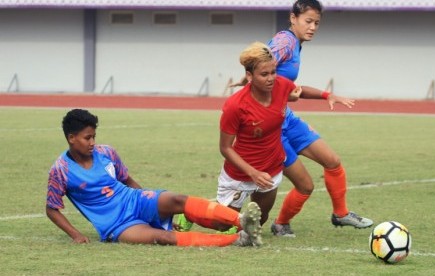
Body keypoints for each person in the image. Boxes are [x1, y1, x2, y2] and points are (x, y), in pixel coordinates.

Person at [45, 108, 263, 247]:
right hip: (116, 225)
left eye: (94, 136)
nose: (92, 142)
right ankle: (239, 239)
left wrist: (145, 199)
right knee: (162, 238)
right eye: (87, 138)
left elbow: (127, 180)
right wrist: (75, 234)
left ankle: (241, 221)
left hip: (135, 200)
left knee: (177, 199)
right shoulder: (61, 170)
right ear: (71, 138)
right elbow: (51, 208)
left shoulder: (106, 152)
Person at [178, 41, 314, 233]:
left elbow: (295, 93)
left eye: (273, 72)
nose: (271, 79)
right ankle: (189, 213)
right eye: (264, 74)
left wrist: (326, 96)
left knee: (258, 221)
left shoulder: (281, 85)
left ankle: (239, 226)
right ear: (249, 76)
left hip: (271, 169)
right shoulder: (235, 105)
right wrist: (253, 173)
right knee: (223, 224)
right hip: (240, 174)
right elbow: (225, 148)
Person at [267, 0, 373, 237]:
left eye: (317, 22)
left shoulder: (295, 44)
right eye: (308, 21)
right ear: (293, 18)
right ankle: (280, 223)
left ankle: (341, 214)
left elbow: (291, 87)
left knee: (332, 161)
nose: (313, 27)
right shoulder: (285, 42)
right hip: (271, 127)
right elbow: (261, 71)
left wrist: (327, 95)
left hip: (287, 119)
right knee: (305, 186)